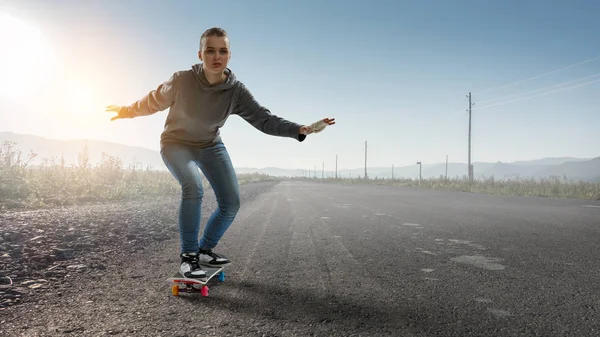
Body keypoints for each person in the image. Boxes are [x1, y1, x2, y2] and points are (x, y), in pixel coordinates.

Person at [105, 27, 335, 281]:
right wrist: (126, 111)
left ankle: (204, 250)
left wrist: (299, 129)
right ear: (200, 54)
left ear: (229, 55)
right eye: (210, 50)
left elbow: (263, 119)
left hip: (210, 145)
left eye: (222, 51)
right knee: (193, 187)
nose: (217, 56)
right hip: (176, 143)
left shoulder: (235, 91)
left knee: (231, 203)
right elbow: (152, 101)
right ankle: (188, 257)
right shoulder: (181, 80)